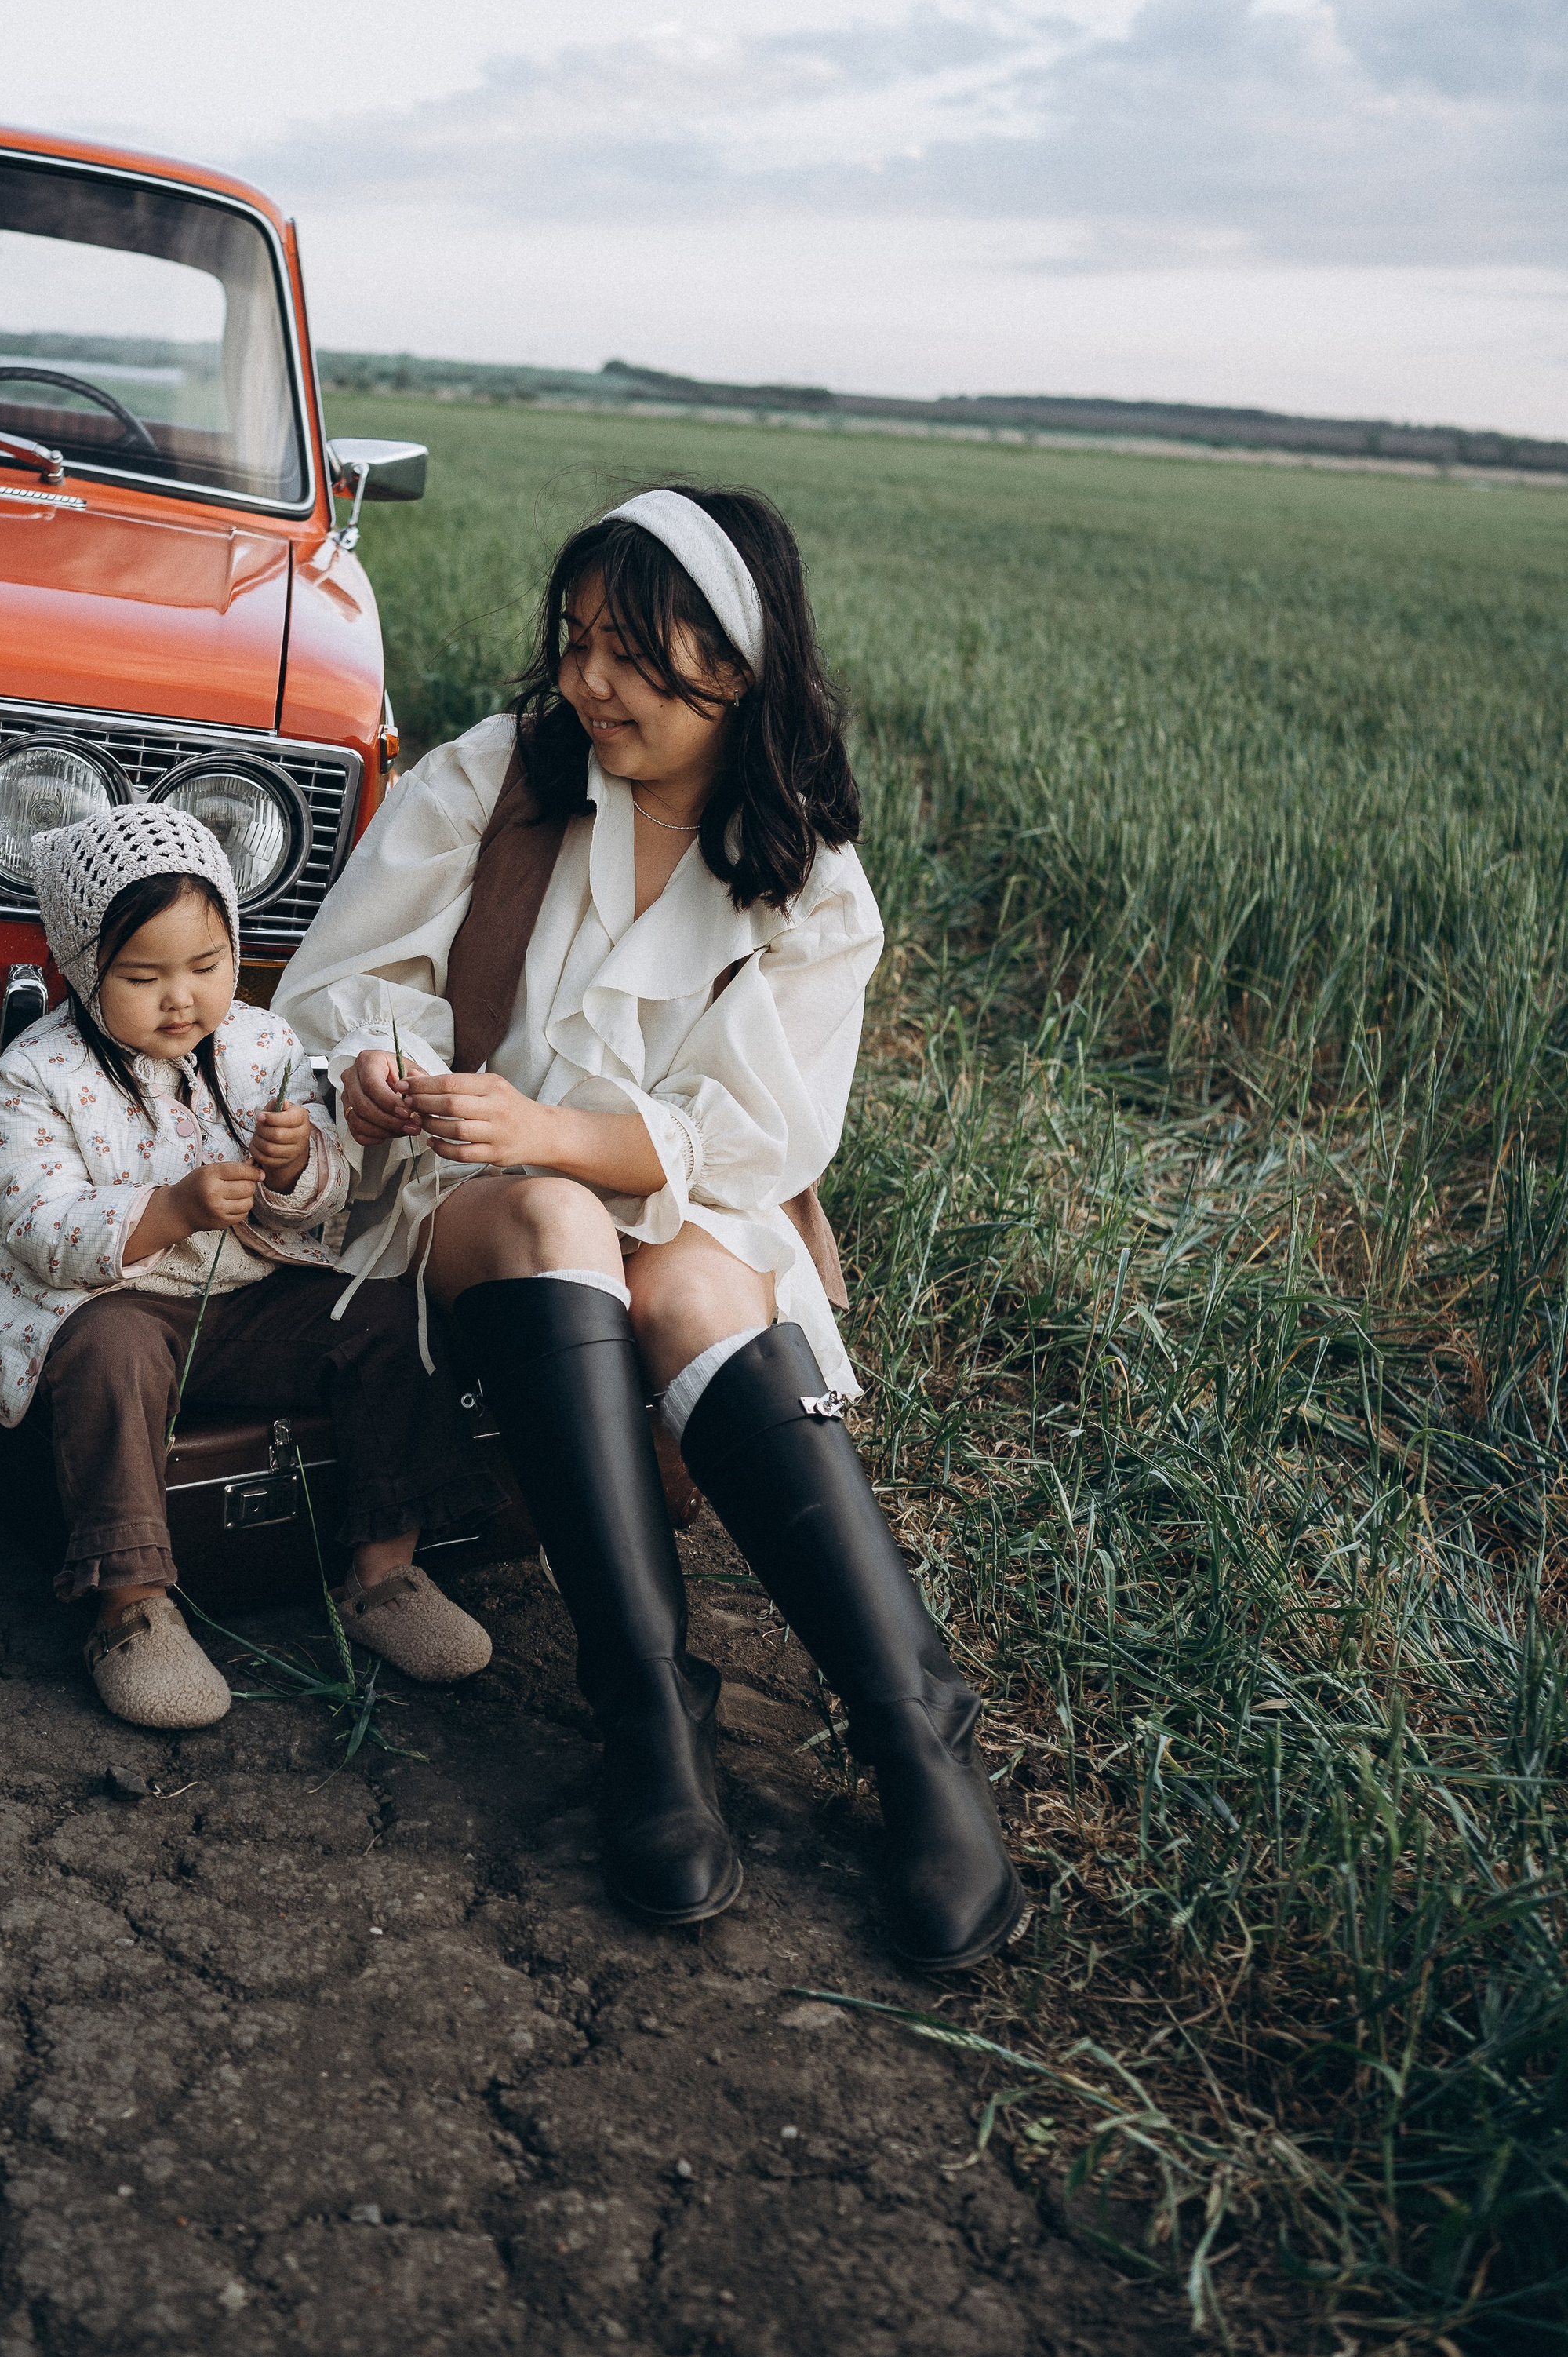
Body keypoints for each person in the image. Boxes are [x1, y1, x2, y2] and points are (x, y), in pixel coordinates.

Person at [277, 486, 1023, 1967]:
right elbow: (335, 989)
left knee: (691, 1273)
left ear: (735, 667)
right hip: (474, 1211)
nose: (584, 683)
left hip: (663, 1206)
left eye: (629, 654)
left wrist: (552, 1125)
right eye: (575, 643)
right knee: (549, 1205)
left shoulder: (809, 881)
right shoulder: (498, 780)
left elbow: (759, 1144)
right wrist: (372, 1064)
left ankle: (915, 1736)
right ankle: (648, 1710)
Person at [0, 802, 499, 1730]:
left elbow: (322, 1200)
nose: (182, 998)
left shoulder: (262, 1042)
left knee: (378, 1314)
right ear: (81, 966)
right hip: (104, 1299)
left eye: (207, 966)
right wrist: (168, 1209)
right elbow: (38, 1221)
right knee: (115, 1355)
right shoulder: (34, 1074)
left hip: (244, 1295)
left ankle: (387, 1571)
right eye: (143, 975)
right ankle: (132, 1606)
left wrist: (298, 1164)